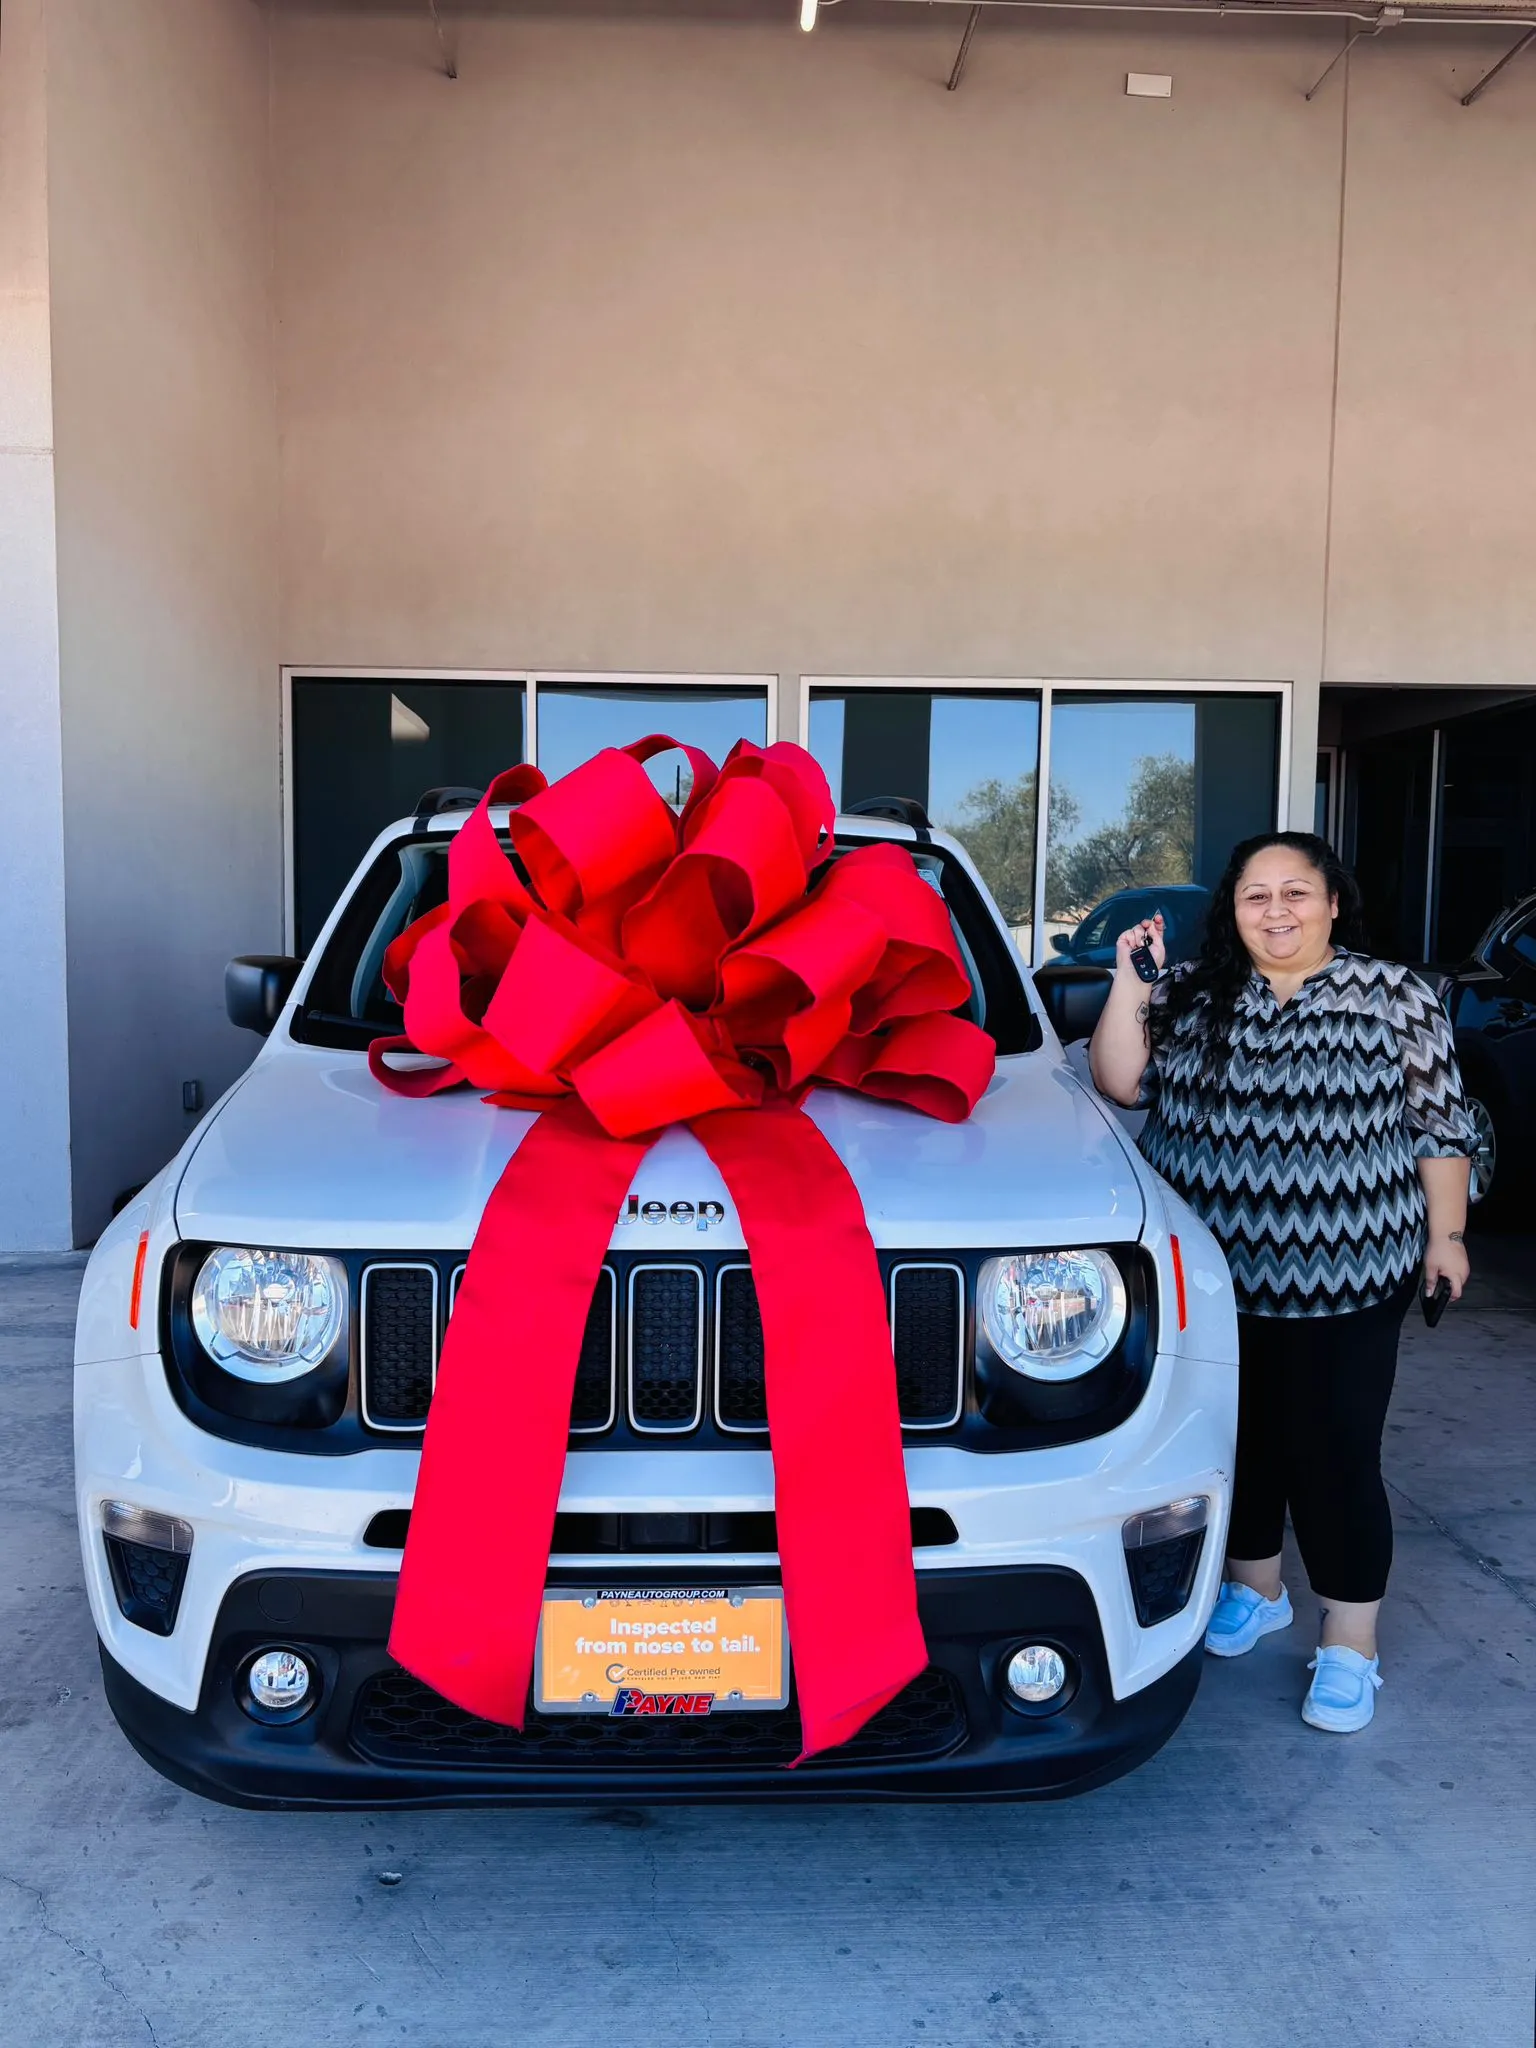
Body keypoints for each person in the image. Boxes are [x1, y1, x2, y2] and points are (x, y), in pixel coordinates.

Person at [1088, 832, 1478, 1733]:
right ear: (1232, 911)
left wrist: (1446, 1238)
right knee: (1239, 1446)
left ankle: (1350, 1643)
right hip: (1212, 1282)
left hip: (1349, 1276)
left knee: (1337, 1458)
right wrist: (1129, 981)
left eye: (1295, 892)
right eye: (1254, 895)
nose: (1276, 911)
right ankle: (1256, 1591)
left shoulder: (1394, 997)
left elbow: (1439, 1129)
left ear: (1333, 901)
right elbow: (1120, 1083)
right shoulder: (1192, 992)